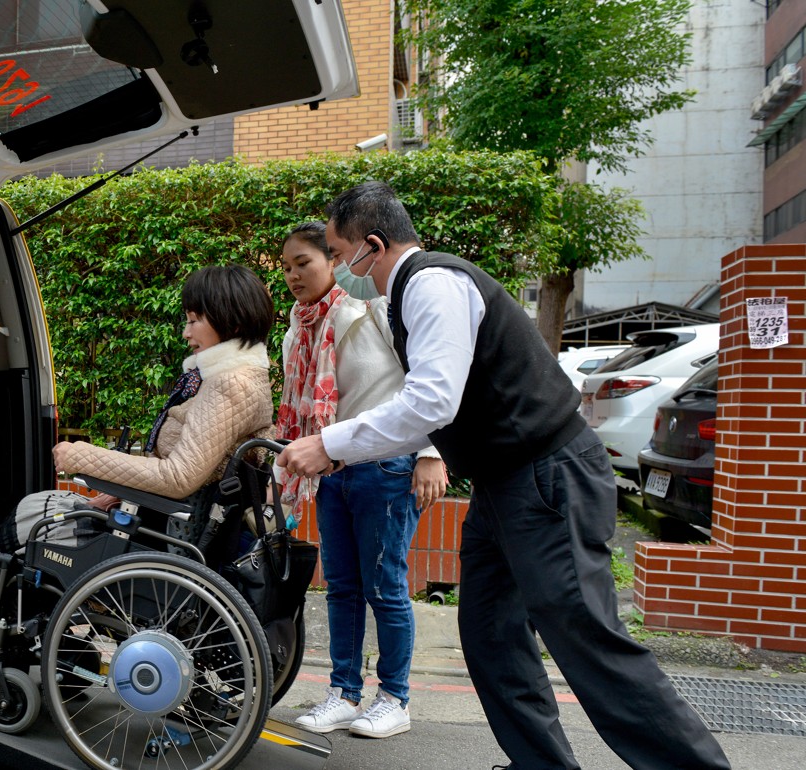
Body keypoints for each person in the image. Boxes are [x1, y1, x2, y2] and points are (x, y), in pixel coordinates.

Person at [277, 182, 730, 770]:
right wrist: (335, 451)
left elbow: (432, 402)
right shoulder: (411, 295)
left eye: (337, 254)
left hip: (545, 475)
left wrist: (331, 442)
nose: (338, 269)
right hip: (505, 485)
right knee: (491, 634)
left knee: (587, 642)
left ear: (371, 244)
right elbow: (440, 408)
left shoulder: (432, 285)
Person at [275, 222, 446, 738]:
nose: (292, 275)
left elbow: (427, 376)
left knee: (386, 587)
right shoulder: (299, 325)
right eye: (285, 268)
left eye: (303, 262)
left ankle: (394, 698)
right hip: (334, 470)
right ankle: (344, 694)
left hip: (389, 468)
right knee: (342, 587)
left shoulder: (372, 310)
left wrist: (432, 453)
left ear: (333, 259)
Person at [0, 264, 275, 554]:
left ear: (233, 323)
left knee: (31, 524)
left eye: (193, 321)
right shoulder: (228, 378)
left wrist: (82, 456)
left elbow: (178, 477)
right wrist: (119, 492)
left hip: (168, 533)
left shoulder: (230, 385)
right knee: (34, 509)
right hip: (162, 516)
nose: (185, 333)